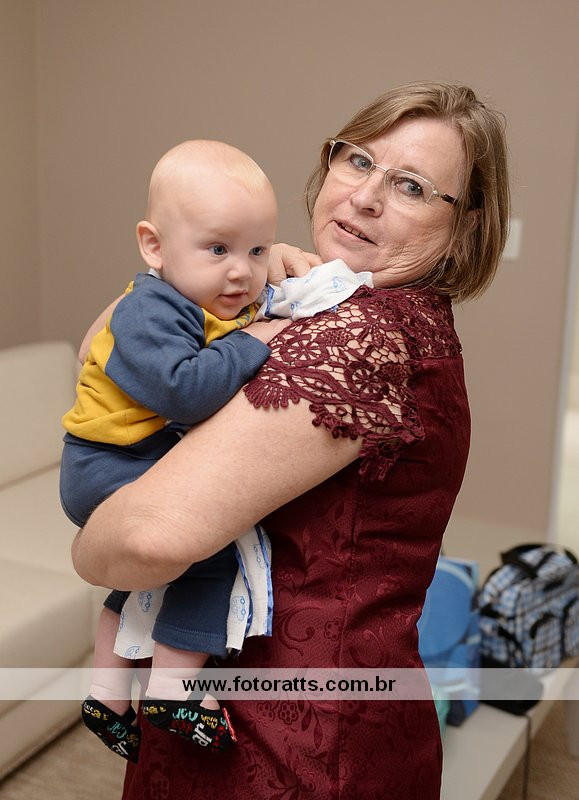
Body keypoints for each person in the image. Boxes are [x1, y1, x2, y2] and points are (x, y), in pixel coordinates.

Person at [71, 82, 510, 799]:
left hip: (285, 743)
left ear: (465, 228)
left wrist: (90, 551)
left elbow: (149, 538)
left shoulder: (360, 338)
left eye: (410, 186)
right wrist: (223, 271)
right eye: (358, 161)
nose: (365, 197)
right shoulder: (332, 305)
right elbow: (102, 356)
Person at [60, 139, 288, 760]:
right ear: (154, 246)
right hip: (107, 464)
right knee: (208, 553)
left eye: (257, 250)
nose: (241, 271)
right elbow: (185, 393)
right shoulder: (148, 311)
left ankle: (108, 696)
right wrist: (256, 341)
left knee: (148, 580)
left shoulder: (195, 299)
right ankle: (173, 692)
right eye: (218, 249)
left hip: (128, 456)